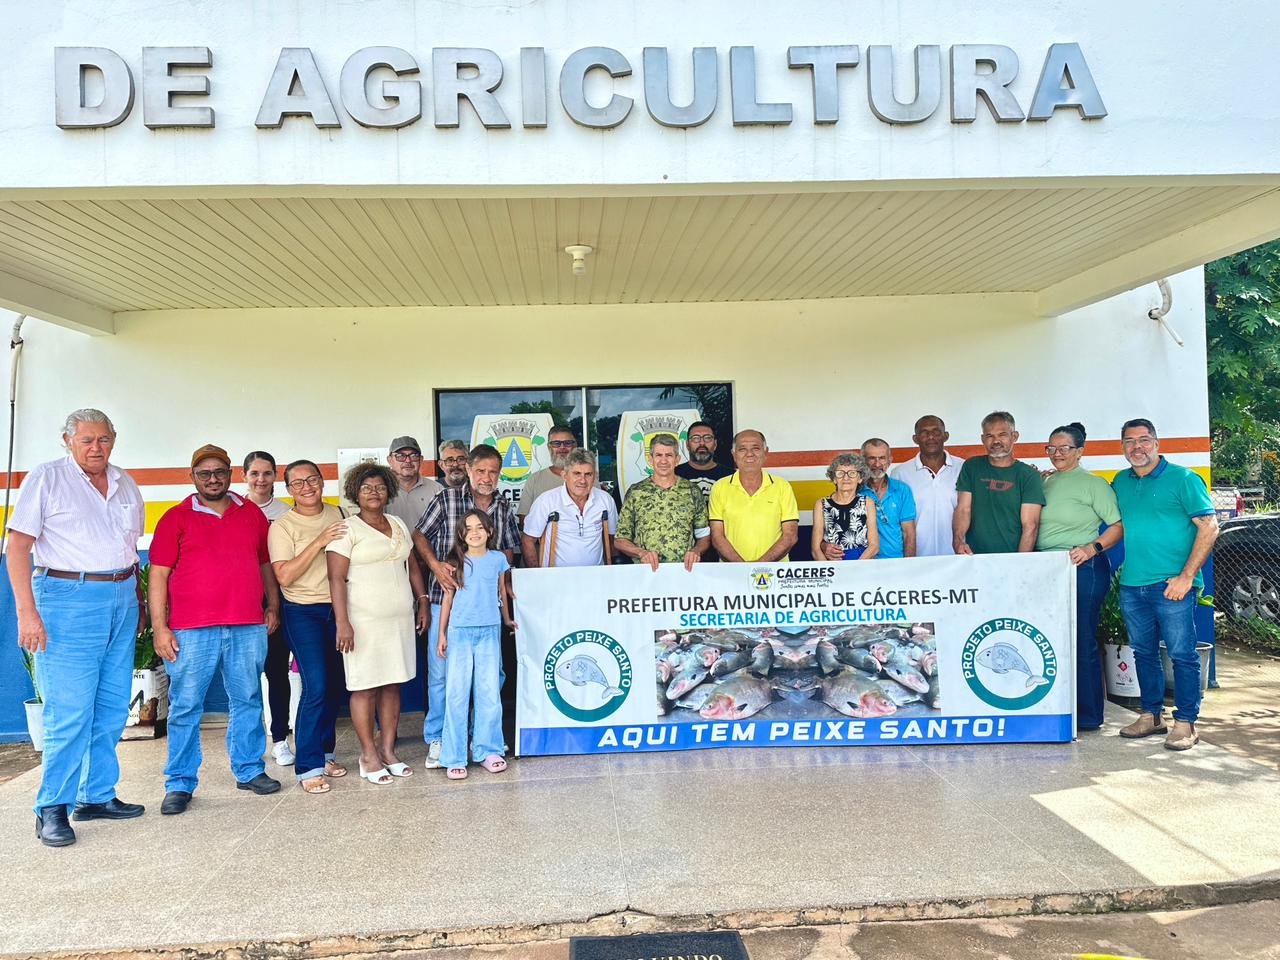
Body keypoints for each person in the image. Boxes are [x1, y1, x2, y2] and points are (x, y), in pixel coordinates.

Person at [6, 408, 146, 847]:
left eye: (103, 439)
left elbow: (129, 549)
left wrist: (138, 603)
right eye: (86, 440)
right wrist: (26, 613)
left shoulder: (125, 483)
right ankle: (52, 807)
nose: (95, 448)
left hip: (122, 597)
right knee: (69, 712)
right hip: (67, 599)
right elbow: (18, 548)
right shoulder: (46, 478)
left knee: (110, 707)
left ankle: (96, 795)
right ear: (67, 440)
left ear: (114, 439)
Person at [149, 444, 282, 816]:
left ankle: (250, 769)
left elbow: (264, 564)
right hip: (191, 630)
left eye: (219, 472)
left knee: (248, 700)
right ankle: (179, 783)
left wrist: (272, 605)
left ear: (230, 474)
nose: (212, 479)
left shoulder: (251, 513)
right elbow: (157, 576)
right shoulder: (175, 518)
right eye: (204, 473)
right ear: (192, 477)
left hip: (246, 624)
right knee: (186, 706)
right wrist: (161, 628)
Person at [1111, 418, 1218, 750]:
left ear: (1157, 443)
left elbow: (1210, 527)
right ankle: (1151, 716)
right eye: (1130, 441)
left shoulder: (1183, 479)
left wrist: (1186, 577)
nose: (1137, 447)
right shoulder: (1121, 481)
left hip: (1172, 585)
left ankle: (1185, 722)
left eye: (1144, 440)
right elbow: (1118, 521)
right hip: (1133, 585)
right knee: (1143, 653)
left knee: (1182, 655)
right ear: (1123, 447)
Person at [412, 444, 521, 767]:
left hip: (485, 612)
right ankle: (439, 738)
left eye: (493, 472)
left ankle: (480, 740)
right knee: (443, 676)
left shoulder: (502, 506)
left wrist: (500, 580)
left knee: (492, 678)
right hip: (444, 602)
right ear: (469, 470)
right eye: (481, 471)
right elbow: (419, 536)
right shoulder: (447, 499)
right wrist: (434, 565)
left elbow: (510, 550)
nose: (487, 478)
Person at [326, 463, 429, 784]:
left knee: (392, 683)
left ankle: (388, 750)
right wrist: (342, 622)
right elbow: (336, 577)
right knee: (364, 687)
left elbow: (412, 566)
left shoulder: (398, 523)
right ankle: (368, 754)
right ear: (355, 492)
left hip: (398, 620)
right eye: (367, 487)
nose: (374, 492)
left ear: (389, 491)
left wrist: (422, 600)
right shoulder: (348, 529)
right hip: (362, 622)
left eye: (380, 487)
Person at [268, 459, 350, 794]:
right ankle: (308, 765)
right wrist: (318, 541)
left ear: (322, 481)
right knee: (315, 686)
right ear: (287, 489)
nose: (307, 487)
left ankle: (327, 753)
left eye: (312, 479)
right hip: (302, 612)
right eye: (298, 482)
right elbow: (284, 575)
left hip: (339, 609)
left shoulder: (340, 514)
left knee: (335, 686)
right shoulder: (282, 526)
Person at [1037, 423, 1124, 732]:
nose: (1057, 454)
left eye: (1064, 448)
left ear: (1080, 451)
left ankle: (1088, 715)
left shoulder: (1093, 484)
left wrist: (1091, 548)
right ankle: (1060, 706)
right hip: (1046, 568)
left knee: (1083, 638)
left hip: (1082, 566)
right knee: (1052, 639)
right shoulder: (1045, 482)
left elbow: (1117, 525)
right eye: (1052, 448)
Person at [437, 510, 515, 780]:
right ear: (461, 534)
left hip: (489, 630)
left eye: (480, 527)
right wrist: (442, 634)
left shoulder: (498, 559)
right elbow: (447, 599)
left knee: (489, 691)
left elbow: (501, 591)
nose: (474, 532)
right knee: (457, 694)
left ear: (490, 531)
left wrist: (507, 619)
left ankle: (488, 749)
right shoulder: (455, 561)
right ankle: (454, 755)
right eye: (468, 528)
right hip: (460, 632)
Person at [242, 450, 294, 768]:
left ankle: (279, 740)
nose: (261, 480)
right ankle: (249, 744)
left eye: (267, 473)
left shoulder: (286, 513)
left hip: (280, 600)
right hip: (243, 602)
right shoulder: (235, 510)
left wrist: (274, 604)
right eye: (254, 474)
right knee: (245, 678)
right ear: (245, 476)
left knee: (277, 672)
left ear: (276, 475)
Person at [614, 433, 710, 571]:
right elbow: (620, 540)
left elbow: (704, 536)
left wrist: (696, 551)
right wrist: (641, 553)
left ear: (677, 459)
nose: (663, 461)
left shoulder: (692, 491)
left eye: (669, 455)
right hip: (646, 573)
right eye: (658, 455)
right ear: (650, 459)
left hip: (684, 573)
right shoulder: (636, 492)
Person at [953, 411, 1045, 554]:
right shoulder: (972, 466)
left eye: (1002, 435)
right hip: (974, 558)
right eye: (990, 436)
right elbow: (963, 509)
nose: (996, 441)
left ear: (1014, 436)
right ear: (983, 439)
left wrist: (1019, 563)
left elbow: (1030, 526)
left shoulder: (1028, 475)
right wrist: (958, 542)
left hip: (1012, 557)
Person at [708, 429, 799, 563]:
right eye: (742, 449)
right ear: (734, 454)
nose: (749, 454)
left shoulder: (782, 486)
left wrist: (758, 568)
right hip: (732, 572)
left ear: (766, 452)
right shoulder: (720, 487)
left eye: (756, 448)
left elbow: (790, 536)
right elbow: (717, 536)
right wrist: (742, 568)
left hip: (775, 574)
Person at [522, 448, 618, 567]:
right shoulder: (546, 501)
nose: (583, 480)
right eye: (577, 474)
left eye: (588, 474)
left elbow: (613, 540)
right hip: (556, 577)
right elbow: (528, 540)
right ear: (564, 475)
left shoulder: (605, 500)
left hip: (595, 576)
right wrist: (537, 576)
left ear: (595, 476)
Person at [891, 415, 964, 557]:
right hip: (916, 557)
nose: (930, 437)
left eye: (936, 432)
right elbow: (895, 520)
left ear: (946, 436)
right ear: (915, 438)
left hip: (956, 556)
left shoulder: (963, 468)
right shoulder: (900, 473)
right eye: (924, 433)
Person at [812, 453, 879, 561]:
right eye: (840, 473)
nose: (846, 477)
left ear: (860, 478)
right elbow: (815, 549)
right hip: (831, 566)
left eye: (852, 473)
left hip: (862, 563)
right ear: (834, 478)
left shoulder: (867, 502)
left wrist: (854, 568)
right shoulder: (821, 504)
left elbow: (874, 546)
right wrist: (828, 571)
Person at [860, 439, 917, 559]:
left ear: (890, 460)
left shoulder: (902, 490)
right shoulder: (854, 491)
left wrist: (909, 565)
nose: (877, 464)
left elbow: (909, 533)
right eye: (871, 458)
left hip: (895, 562)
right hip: (862, 562)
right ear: (862, 461)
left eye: (882, 458)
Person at [516, 425, 578, 517]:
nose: (562, 447)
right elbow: (524, 519)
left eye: (567, 443)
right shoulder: (534, 480)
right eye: (556, 443)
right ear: (549, 447)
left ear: (574, 446)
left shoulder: (587, 478)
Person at [384, 436, 443, 531]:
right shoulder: (381, 490)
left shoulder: (437, 490)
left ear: (421, 460)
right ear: (390, 460)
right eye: (400, 456)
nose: (408, 461)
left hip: (428, 546)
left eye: (414, 456)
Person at [675, 421, 734, 500]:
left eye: (707, 438)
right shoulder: (674, 475)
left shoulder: (731, 477)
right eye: (696, 438)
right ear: (687, 444)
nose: (702, 443)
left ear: (715, 444)